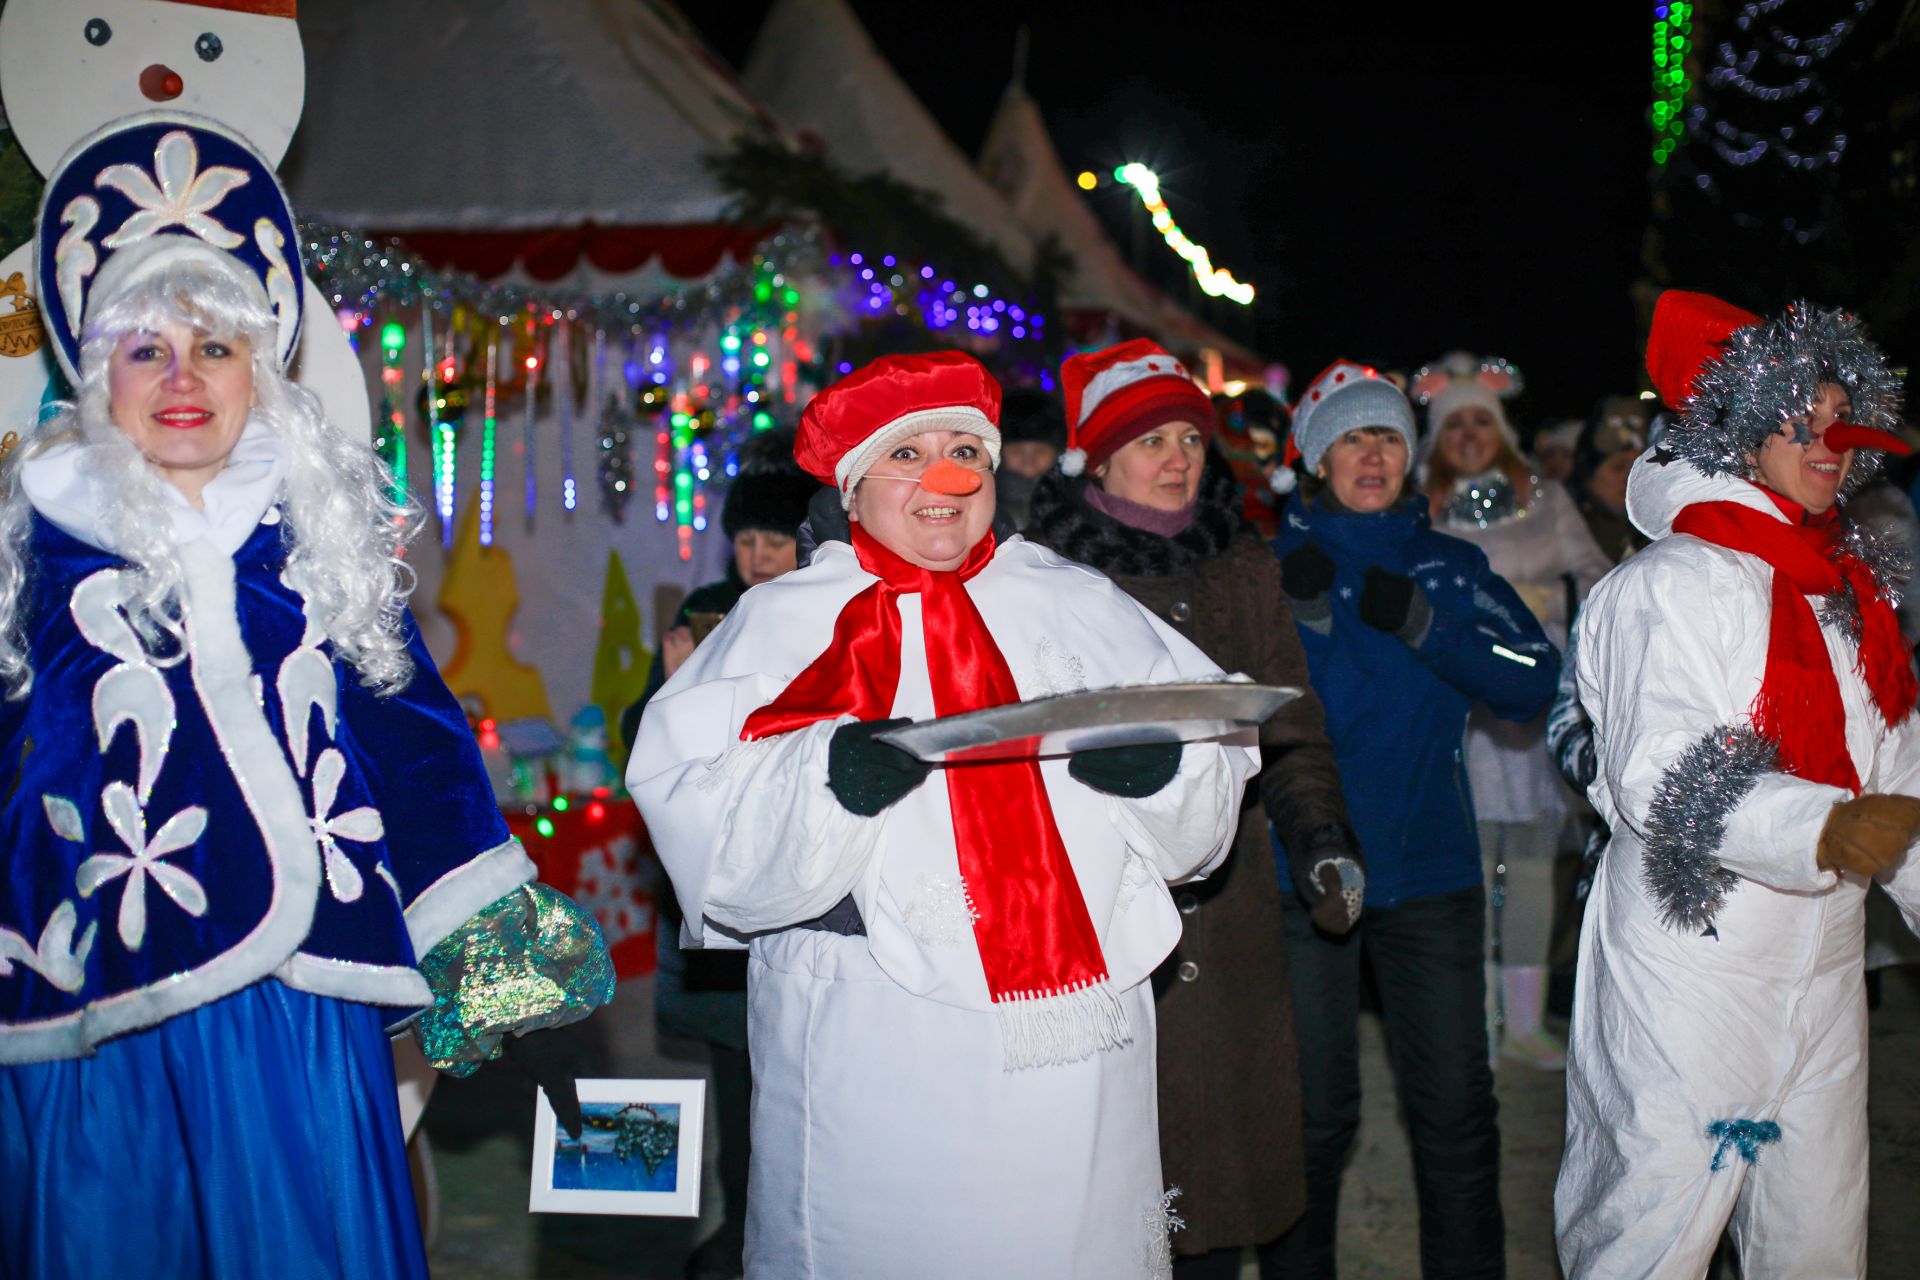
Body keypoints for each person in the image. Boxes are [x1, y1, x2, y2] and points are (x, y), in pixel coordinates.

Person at [0, 117, 611, 1278]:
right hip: (90, 1007)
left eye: (217, 348)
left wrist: (474, 923)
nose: (184, 378)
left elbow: (412, 735)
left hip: (300, 997)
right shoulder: (29, 559)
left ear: (261, 374)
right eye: (146, 349)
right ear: (96, 376)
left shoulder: (314, 550)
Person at [628, 350, 1256, 1279]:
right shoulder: (783, 621)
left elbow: (1211, 755)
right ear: (853, 486)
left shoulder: (1075, 598)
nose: (948, 478)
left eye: (966, 449)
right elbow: (691, 808)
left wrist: (1158, 769)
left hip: (1079, 1061)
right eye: (911, 453)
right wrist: (823, 776)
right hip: (876, 1041)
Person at [1556, 290, 1920, 1276]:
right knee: (1648, 1242)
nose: (1828, 443)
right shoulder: (1666, 584)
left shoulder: (1847, 591)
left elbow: (1900, 768)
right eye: (1799, 423)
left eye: (1836, 421)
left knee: (1818, 1246)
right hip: (1691, 982)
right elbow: (1660, 770)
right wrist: (1822, 824)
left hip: (1825, 984)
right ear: (1739, 430)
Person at [1025, 339, 1363, 1278]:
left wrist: (1322, 838)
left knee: (1235, 1166)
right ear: (1096, 458)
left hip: (1239, 898)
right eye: (1150, 442)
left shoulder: (1239, 566)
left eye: (1190, 439)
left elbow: (1293, 727)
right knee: (1134, 1167)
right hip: (1107, 913)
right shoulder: (1047, 581)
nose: (1177, 459)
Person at [1268, 361, 1559, 1279]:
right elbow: (1255, 718)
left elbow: (1532, 679)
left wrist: (1433, 626)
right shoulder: (1271, 570)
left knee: (1455, 1110)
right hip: (1301, 875)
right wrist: (1303, 624)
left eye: (1389, 435)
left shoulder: (1449, 563)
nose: (1374, 453)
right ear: (1317, 457)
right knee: (1315, 1115)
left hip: (1431, 870)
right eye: (1352, 436)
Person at [622, 426, 816, 1280]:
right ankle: (741, 1234)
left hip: (802, 881)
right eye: (745, 539)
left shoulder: (825, 608)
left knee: (805, 1085)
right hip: (718, 894)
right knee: (737, 1082)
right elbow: (641, 744)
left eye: (774, 539)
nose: (759, 556)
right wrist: (671, 688)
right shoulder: (706, 606)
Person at [1416, 353, 1611, 1069]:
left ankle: (1524, 1026)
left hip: (1528, 706)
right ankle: (1475, 1021)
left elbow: (1600, 577)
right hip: (1458, 710)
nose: (1469, 433)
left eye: (1480, 420)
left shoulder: (1545, 499)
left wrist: (1551, 611)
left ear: (1500, 429)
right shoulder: (1419, 504)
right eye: (1454, 422)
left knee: (1527, 868)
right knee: (1464, 868)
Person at [1569, 396, 1653, 564]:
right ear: (1588, 474)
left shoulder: (1659, 532)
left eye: (1640, 469)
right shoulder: (1564, 531)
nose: (1630, 479)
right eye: (1619, 467)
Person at [991, 384, 1064, 530]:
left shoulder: (1076, 506)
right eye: (1017, 452)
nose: (1029, 462)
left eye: (1040, 451)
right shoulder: (986, 510)